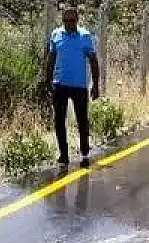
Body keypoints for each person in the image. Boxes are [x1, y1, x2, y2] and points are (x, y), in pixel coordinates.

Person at [45, 5, 100, 168]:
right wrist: (48, 80)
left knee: (82, 119)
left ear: (77, 20)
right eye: (66, 20)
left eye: (72, 20)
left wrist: (95, 85)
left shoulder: (85, 36)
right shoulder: (56, 34)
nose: (69, 23)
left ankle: (84, 149)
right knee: (59, 120)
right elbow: (51, 58)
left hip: (79, 86)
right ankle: (63, 154)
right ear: (62, 20)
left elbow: (93, 60)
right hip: (60, 84)